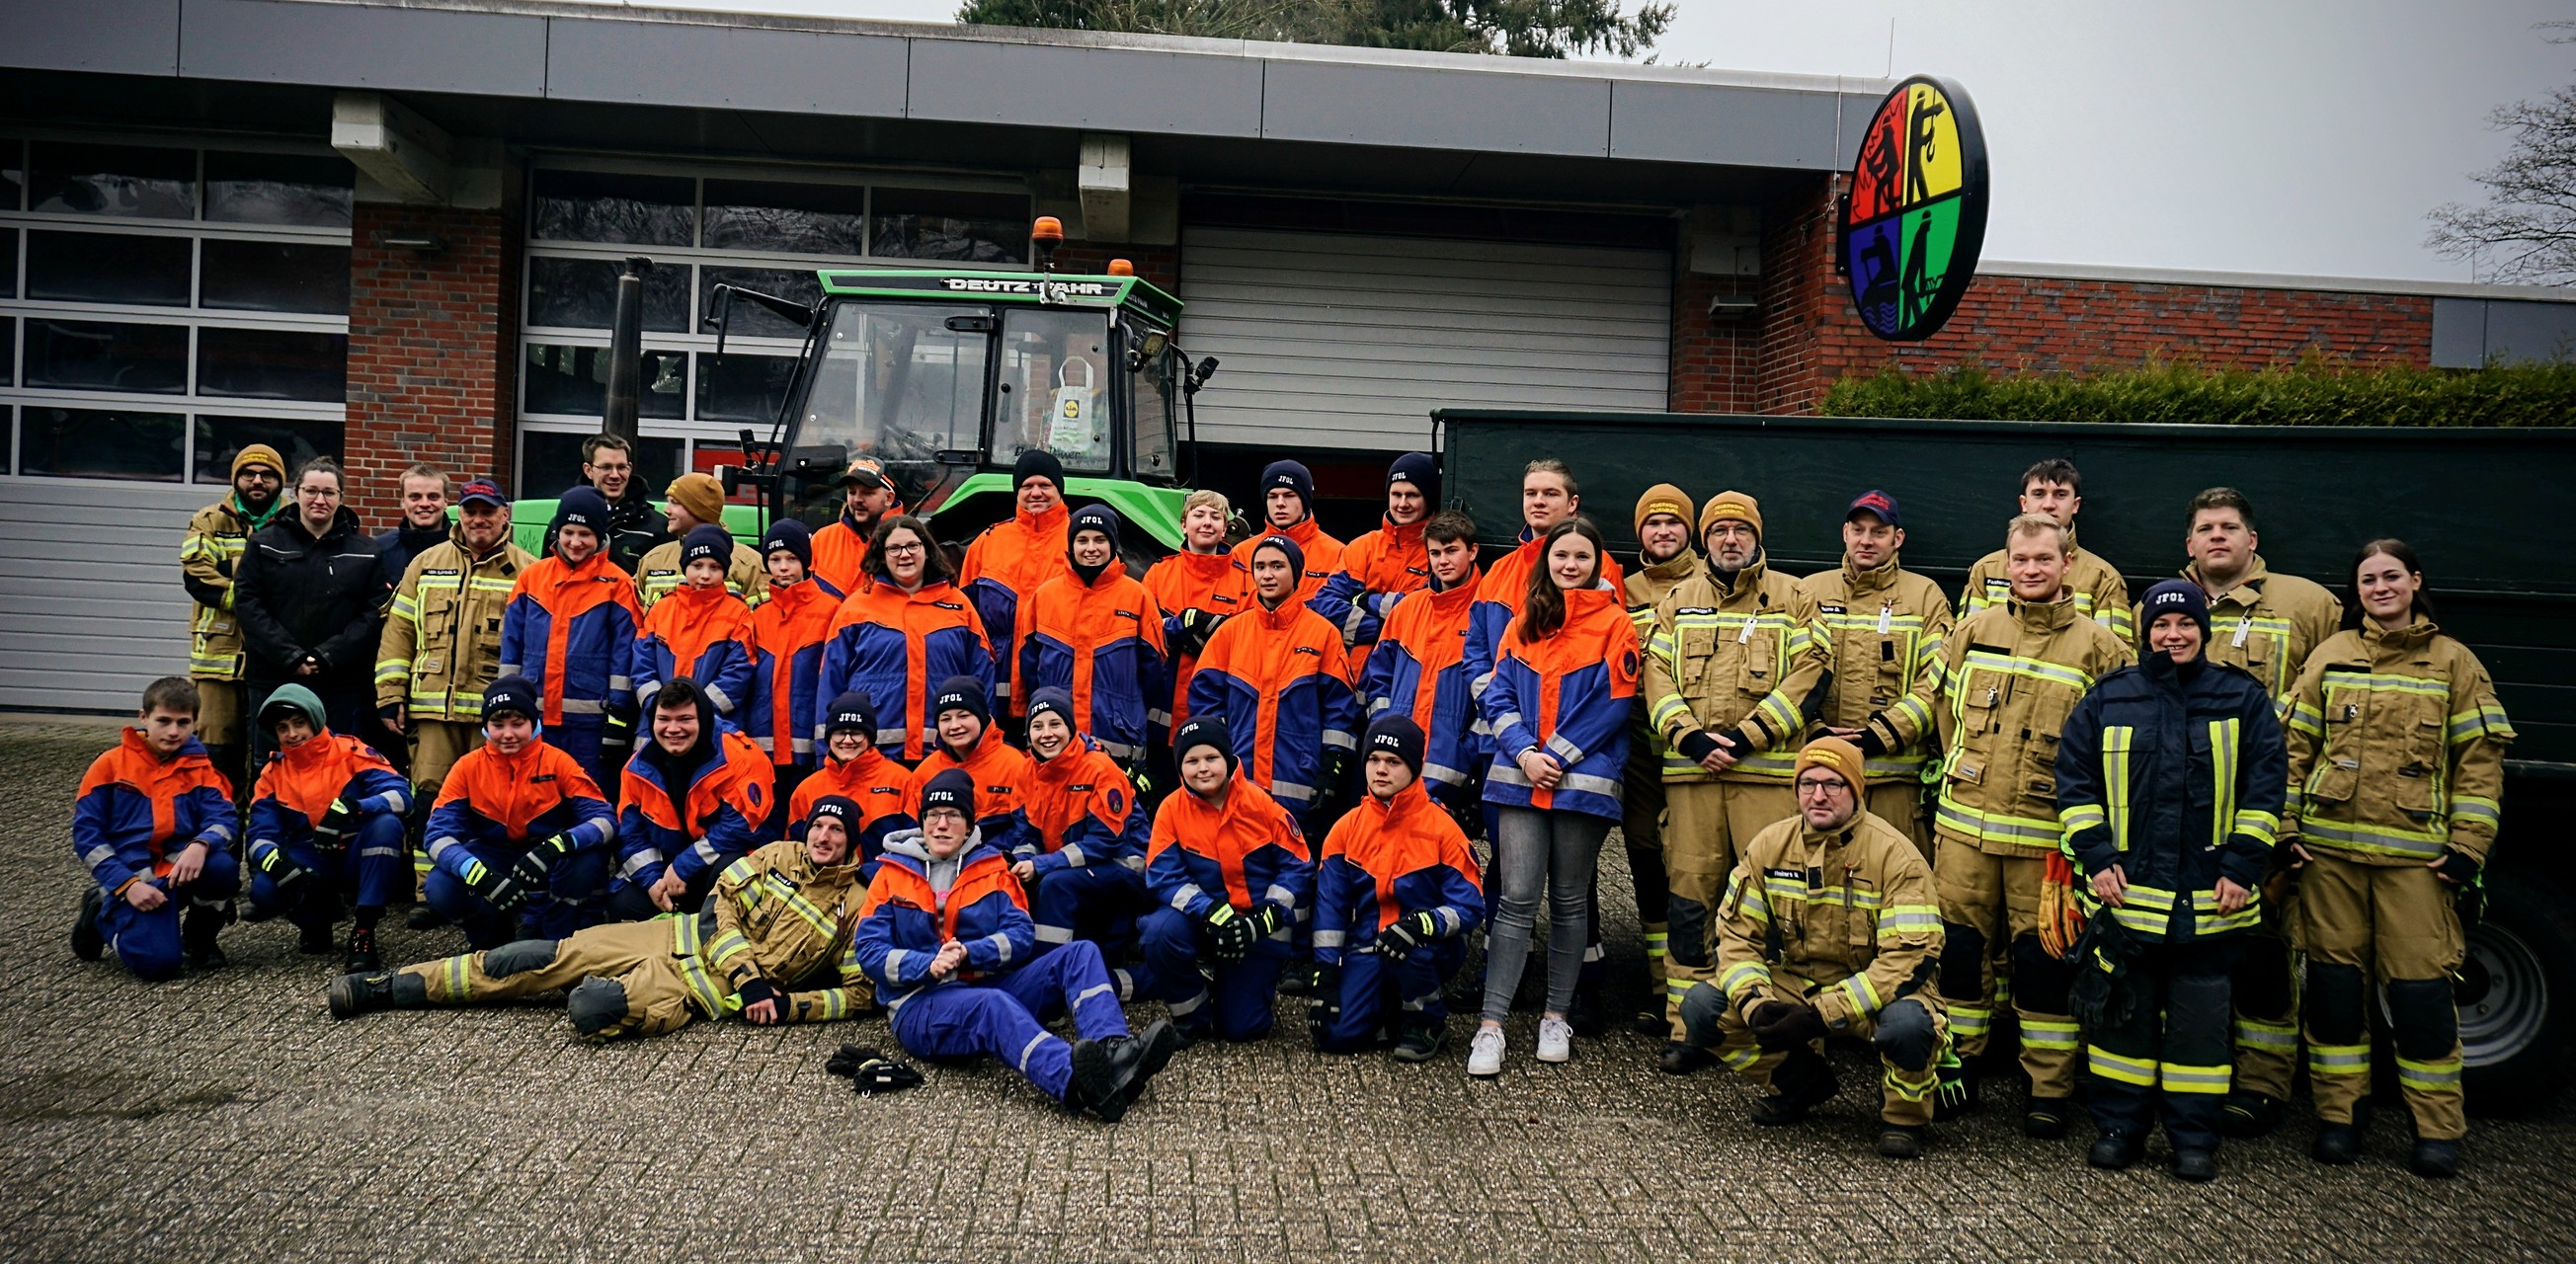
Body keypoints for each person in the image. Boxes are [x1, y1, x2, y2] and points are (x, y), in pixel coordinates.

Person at [1862, 513, 2134, 1136]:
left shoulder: (2101, 648)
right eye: (2020, 560)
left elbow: (2116, 753)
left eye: (2043, 559)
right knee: (1958, 955)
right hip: (1965, 833)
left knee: (2043, 963)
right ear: (2005, 564)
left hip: (2045, 842)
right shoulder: (1973, 630)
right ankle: (1959, 1069)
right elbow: (1941, 709)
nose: (2030, 570)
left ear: (2067, 564)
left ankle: (2047, 1089)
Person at [2283, 540, 2512, 1179]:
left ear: (2414, 581)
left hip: (2415, 865)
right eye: (2368, 580)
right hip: (2329, 859)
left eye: (2391, 576)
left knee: (2420, 998)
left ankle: (2436, 1130)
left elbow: (2479, 764)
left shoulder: (2454, 663)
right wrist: (2285, 827)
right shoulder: (2331, 656)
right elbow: (2292, 748)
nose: (2380, 588)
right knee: (2333, 994)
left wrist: (2468, 846)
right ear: (2356, 592)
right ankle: (2339, 1119)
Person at [2056, 581, 2285, 1182]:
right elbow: (2075, 783)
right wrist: (2097, 857)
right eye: (2161, 626)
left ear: (2203, 632)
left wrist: (2241, 865)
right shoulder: (2109, 698)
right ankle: (2118, 1129)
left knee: (2199, 1033)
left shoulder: (2241, 698)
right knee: (2122, 1025)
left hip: (2210, 904)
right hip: (2128, 901)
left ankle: (2193, 1138)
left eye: (2185, 624)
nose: (2173, 635)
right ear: (2145, 634)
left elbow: (2266, 788)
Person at [330, 795, 878, 1039]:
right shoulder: (777, 853)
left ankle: (605, 988)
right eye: (818, 826)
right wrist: (750, 979)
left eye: (836, 831)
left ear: (852, 842)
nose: (823, 836)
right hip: (671, 935)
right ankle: (387, 987)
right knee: (535, 958)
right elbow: (719, 909)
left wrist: (788, 1007)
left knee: (592, 1009)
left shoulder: (857, 904)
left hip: (694, 987)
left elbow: (859, 995)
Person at [856, 768, 1180, 1121]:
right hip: (921, 1004)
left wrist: (970, 953)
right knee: (992, 1006)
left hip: (987, 983)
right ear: (922, 823)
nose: (942, 825)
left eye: (953, 815)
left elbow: (1021, 935)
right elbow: (869, 950)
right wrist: (927, 964)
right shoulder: (891, 873)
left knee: (1080, 953)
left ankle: (1114, 1050)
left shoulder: (993, 868)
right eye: (933, 815)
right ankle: (1078, 1082)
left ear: (969, 824)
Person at [2171, 488, 2343, 1139]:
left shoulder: (2307, 605)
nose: (2217, 536)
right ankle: (2191, 1074)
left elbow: (2333, 712)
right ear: (2189, 543)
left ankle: (2263, 1084)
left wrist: (2289, 816)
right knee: (2183, 946)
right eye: (2205, 528)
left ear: (2253, 541)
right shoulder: (2162, 604)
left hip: (2259, 806)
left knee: (2263, 951)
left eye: (2229, 527)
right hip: (2180, 809)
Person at [1683, 738, 1948, 1159]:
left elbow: (1906, 961)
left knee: (1909, 1027)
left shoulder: (1896, 856)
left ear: (1856, 790)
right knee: (1702, 1008)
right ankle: (1800, 1085)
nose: (1818, 796)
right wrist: (1755, 1003)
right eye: (1807, 784)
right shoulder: (1769, 845)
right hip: (1801, 984)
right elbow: (1736, 937)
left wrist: (1820, 1015)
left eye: (1832, 784)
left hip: (1879, 994)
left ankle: (1904, 1118)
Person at [1640, 490, 1830, 1071]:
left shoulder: (1794, 597)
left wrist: (1747, 737)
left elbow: (1812, 673)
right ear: (1706, 540)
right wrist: (1691, 739)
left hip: (1767, 781)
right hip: (1693, 778)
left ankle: (1775, 1029)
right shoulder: (1679, 601)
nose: (1730, 540)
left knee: (1772, 906)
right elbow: (1655, 675)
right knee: (1689, 901)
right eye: (1719, 531)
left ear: (1757, 537)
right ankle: (1688, 1028)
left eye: (1740, 531)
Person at [1469, 516, 1639, 1074]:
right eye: (1562, 555)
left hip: (1578, 783)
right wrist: (1524, 753)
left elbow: (1614, 702)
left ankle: (1555, 1016)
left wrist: (1555, 757)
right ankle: (1491, 1026)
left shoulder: (1616, 623)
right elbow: (1497, 694)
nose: (1570, 565)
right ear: (1547, 562)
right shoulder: (1525, 620)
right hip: (1521, 777)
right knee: (1516, 899)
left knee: (1569, 901)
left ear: (1597, 564)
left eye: (1582, 557)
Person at [1310, 715, 1485, 1062]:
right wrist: (1325, 976)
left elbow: (1470, 906)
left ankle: (1426, 1021)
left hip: (1428, 944)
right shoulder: (1345, 829)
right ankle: (1389, 1006)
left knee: (1411, 952)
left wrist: (1421, 924)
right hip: (1371, 942)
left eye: (1393, 762)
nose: (1380, 770)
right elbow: (1330, 910)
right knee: (1333, 1034)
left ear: (1414, 768)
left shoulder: (1443, 829)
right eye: (1373, 760)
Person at [375, 477, 530, 857]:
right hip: (432, 715)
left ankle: (482, 880)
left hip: (495, 718)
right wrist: (390, 694)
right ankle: (427, 886)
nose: (479, 519)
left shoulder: (527, 570)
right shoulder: (425, 564)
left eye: (488, 511)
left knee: (491, 802)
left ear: (505, 515)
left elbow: (537, 649)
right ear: (458, 514)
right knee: (431, 799)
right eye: (470, 511)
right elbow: (398, 632)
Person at [1137, 716, 1316, 1043]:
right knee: (1158, 933)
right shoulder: (1171, 810)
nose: (1202, 768)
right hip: (1203, 921)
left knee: (1242, 1029)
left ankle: (1232, 984)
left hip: (1257, 927)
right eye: (1192, 761)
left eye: (1211, 758)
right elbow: (1163, 876)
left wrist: (1264, 919)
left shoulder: (1261, 805)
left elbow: (1299, 866)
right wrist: (1209, 911)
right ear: (1180, 768)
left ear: (1229, 759)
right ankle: (1192, 1016)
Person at [421, 677, 617, 949]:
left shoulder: (558, 761)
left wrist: (558, 846)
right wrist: (477, 874)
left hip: (547, 855)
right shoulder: (466, 768)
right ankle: (491, 935)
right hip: (493, 854)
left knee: (586, 861)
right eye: (498, 725)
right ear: (485, 727)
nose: (508, 734)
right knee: (440, 887)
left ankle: (555, 937)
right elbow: (436, 836)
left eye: (517, 724)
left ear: (534, 723)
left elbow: (605, 820)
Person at [1807, 490, 1952, 857]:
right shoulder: (1809, 591)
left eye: (1879, 532)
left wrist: (1880, 736)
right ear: (1845, 533)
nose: (1866, 540)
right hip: (1823, 776)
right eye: (1858, 530)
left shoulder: (1925, 596)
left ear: (1897, 538)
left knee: (1895, 874)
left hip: (1894, 781)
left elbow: (1936, 683)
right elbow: (1789, 677)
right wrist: (1814, 730)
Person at [68, 677, 240, 979]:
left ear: (195, 724)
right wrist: (126, 885)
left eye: (183, 722)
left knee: (222, 866)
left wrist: (201, 844)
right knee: (159, 966)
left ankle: (199, 939)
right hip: (133, 878)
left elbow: (224, 818)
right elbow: (87, 838)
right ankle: (101, 912)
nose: (173, 731)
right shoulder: (109, 765)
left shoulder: (202, 768)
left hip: (177, 871)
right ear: (144, 717)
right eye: (164, 721)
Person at [1187, 533, 1361, 830]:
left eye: (1277, 566)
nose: (1267, 575)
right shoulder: (1231, 632)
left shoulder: (1323, 634)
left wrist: (1333, 766)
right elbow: (1205, 704)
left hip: (1299, 786)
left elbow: (1339, 712)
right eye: (1260, 567)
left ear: (1297, 572)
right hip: (1237, 785)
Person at [233, 456, 391, 763]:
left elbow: (374, 613)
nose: (320, 500)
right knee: (272, 763)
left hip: (340, 683)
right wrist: (290, 656)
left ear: (341, 497)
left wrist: (327, 655)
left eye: (329, 492)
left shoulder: (366, 551)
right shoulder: (264, 544)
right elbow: (248, 604)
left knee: (336, 764)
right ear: (296, 493)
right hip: (274, 678)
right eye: (311, 491)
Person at [244, 684, 411, 971]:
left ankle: (364, 931)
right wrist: (277, 863)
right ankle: (316, 921)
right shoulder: (272, 773)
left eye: (299, 723)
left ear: (315, 720)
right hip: (311, 857)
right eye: (283, 728)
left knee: (386, 825)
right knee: (264, 889)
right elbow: (259, 835)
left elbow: (402, 796)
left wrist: (355, 808)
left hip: (355, 853)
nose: (292, 734)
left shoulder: (351, 750)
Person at [498, 487, 643, 794]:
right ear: (557, 532)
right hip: (535, 718)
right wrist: (508, 704)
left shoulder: (618, 584)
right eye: (568, 532)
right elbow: (511, 649)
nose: (575, 542)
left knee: (589, 798)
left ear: (600, 536)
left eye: (585, 534)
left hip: (591, 726)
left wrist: (618, 719)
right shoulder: (531, 578)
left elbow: (624, 659)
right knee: (535, 798)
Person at [820, 514, 994, 764]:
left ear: (927, 550)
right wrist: (825, 752)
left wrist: (984, 744)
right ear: (881, 555)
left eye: (913, 546)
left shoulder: (958, 604)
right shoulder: (855, 608)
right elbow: (831, 681)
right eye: (894, 548)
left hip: (944, 754)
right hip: (873, 755)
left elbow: (982, 676)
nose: (904, 555)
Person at [1465, 460, 1624, 732]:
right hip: (1500, 732)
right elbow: (1475, 654)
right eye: (1531, 493)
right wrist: (1501, 711)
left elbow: (1608, 659)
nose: (1538, 501)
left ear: (1572, 503)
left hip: (1567, 732)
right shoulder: (1498, 572)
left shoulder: (1598, 566)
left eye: (1550, 494)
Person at [1619, 484, 1696, 1034]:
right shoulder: (1621, 591)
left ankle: (1700, 985)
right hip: (1641, 753)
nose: (1663, 531)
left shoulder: (1710, 586)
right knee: (1646, 858)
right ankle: (1660, 985)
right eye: (1653, 523)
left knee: (1696, 867)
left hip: (1694, 753)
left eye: (1673, 522)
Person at [1008, 687, 1153, 969]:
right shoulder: (1026, 772)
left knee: (1055, 885)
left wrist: (1041, 865)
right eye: (1037, 726)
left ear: (1071, 727)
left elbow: (1106, 842)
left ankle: (1049, 971)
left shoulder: (1100, 768)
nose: (1046, 734)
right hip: (1071, 865)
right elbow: (1026, 835)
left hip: (1125, 865)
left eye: (1055, 724)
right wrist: (1021, 861)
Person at [1015, 503, 1167, 768]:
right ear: (1071, 545)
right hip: (1057, 738)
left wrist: (1126, 709)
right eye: (1082, 540)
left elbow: (1153, 672)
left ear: (1113, 545)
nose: (1091, 548)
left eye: (1100, 540)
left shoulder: (1137, 597)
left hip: (1118, 737)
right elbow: (1028, 668)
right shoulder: (1045, 596)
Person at [612, 678, 775, 921]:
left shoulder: (741, 758)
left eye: (685, 719)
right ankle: (677, 924)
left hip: (714, 866)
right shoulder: (636, 769)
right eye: (664, 719)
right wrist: (653, 882)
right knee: (622, 902)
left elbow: (741, 829)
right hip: (670, 875)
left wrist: (683, 867)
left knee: (732, 868)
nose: (673, 729)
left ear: (704, 718)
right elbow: (632, 836)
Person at [1360, 510, 1486, 819]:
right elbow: (1377, 678)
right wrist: (1385, 727)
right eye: (1435, 553)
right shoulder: (1408, 609)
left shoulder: (1487, 611)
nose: (1443, 561)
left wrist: (1467, 749)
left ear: (1472, 551)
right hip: (1395, 762)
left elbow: (1496, 693)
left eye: (1451, 551)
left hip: (1452, 770)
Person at [181, 442, 287, 793]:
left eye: (267, 475)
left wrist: (230, 567)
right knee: (217, 755)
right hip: (218, 661)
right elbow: (198, 579)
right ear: (235, 478)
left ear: (280, 481)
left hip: (273, 658)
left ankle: (260, 823)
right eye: (248, 474)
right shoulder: (209, 520)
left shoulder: (295, 519)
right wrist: (257, 595)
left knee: (270, 756)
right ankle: (220, 823)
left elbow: (301, 580)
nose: (257, 481)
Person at [1960, 458, 2132, 639]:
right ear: (2024, 503)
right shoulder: (1986, 569)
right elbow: (1963, 639)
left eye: (2060, 495)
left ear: (2075, 505)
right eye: (2039, 494)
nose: (2049, 504)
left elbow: (2115, 652)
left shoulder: (2103, 578)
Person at [742, 518, 844, 821]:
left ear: (806, 561)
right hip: (764, 747)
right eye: (775, 560)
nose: (783, 567)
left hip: (810, 747)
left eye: (792, 559)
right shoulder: (758, 617)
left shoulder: (831, 610)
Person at [959, 449, 1074, 715]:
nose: (1036, 493)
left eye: (1045, 485)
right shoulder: (988, 542)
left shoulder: (1080, 541)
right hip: (997, 682)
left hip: (1057, 680)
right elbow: (965, 617)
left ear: (1059, 489)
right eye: (1027, 486)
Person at [1141, 489, 1242, 779]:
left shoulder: (1244, 579)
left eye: (1215, 517)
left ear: (1224, 528)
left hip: (1218, 711)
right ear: (1184, 525)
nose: (1207, 522)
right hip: (1162, 717)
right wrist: (1182, 626)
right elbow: (1145, 632)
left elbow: (1247, 639)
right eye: (1199, 515)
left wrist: (1195, 632)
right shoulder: (1159, 574)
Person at [1312, 452, 1436, 678]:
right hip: (1354, 677)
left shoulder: (1438, 552)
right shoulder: (1362, 546)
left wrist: (1364, 601)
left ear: (1429, 498)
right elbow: (1326, 602)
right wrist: (1380, 628)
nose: (1402, 504)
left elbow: (1424, 612)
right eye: (1396, 494)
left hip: (1410, 676)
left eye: (1412, 495)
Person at [786, 691, 919, 876]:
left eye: (856, 734)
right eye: (840, 733)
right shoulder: (807, 789)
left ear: (869, 737)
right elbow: (795, 851)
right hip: (821, 887)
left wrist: (867, 876)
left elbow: (915, 846)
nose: (847, 741)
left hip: (883, 884)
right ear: (829, 738)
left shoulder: (902, 781)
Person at [633, 524, 755, 724]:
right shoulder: (661, 609)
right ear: (684, 567)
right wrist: (660, 706)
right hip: (658, 725)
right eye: (697, 566)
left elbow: (739, 671)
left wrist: (698, 711)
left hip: (715, 725)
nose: (705, 575)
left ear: (724, 570)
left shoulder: (737, 613)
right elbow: (642, 665)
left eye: (714, 567)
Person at [905, 676, 1032, 843]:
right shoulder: (924, 772)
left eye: (963, 716)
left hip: (998, 856)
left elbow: (1025, 830)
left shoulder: (1015, 765)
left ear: (981, 717)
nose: (955, 725)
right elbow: (911, 832)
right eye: (946, 719)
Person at [633, 472, 765, 611]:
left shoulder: (749, 564)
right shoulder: (653, 560)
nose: (666, 510)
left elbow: (763, 619)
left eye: (675, 503)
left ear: (699, 510)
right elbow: (634, 616)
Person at [1224, 459, 1343, 611]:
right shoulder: (1240, 554)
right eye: (1273, 496)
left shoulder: (1337, 554)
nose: (1280, 503)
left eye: (1289, 495)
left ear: (1305, 500)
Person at [539, 434, 667, 574]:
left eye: (621, 467)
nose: (615, 475)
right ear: (588, 470)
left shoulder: (656, 528)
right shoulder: (559, 526)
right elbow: (547, 576)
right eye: (606, 467)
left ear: (629, 469)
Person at [809, 457, 904, 596]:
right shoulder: (822, 539)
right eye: (852, 492)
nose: (857, 499)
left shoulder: (909, 543)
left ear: (889, 498)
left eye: (867, 493)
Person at [374, 463, 452, 585]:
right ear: (403, 502)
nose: (424, 504)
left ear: (445, 502)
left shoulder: (466, 549)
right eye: (415, 497)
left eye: (433, 497)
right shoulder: (379, 549)